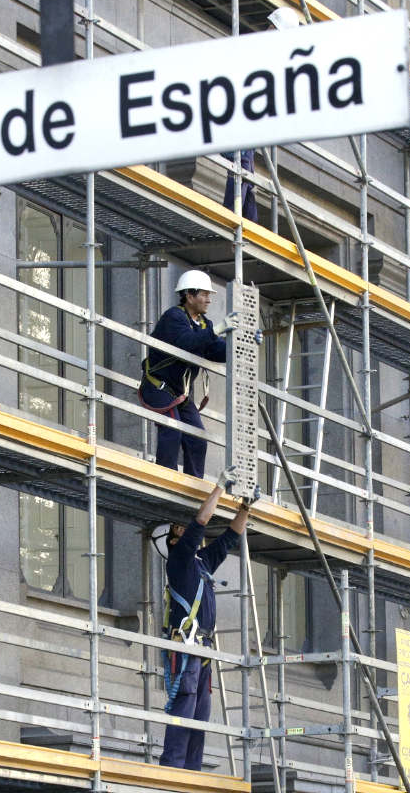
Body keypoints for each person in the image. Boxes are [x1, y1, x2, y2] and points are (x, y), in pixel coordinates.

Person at [159, 469, 249, 770]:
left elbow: (230, 538)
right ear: (174, 539)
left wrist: (246, 508)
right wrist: (219, 488)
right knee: (185, 703)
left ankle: (192, 771)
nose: (185, 530)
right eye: (178, 528)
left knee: (201, 712)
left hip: (203, 648)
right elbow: (200, 522)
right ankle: (173, 767)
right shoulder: (180, 559)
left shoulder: (201, 562)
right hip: (187, 645)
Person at [140, 269, 228, 478]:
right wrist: (218, 330)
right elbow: (187, 343)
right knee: (172, 430)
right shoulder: (174, 317)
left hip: (180, 393)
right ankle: (166, 479)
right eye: (204, 295)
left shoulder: (205, 324)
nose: (208, 300)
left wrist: (242, 345)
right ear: (189, 295)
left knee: (197, 438)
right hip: (158, 387)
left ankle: (193, 485)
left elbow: (214, 350)